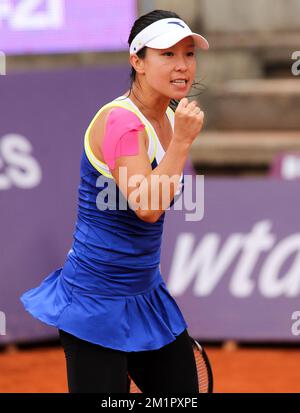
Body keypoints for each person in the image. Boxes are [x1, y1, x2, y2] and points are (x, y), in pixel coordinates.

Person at [20, 9, 209, 393]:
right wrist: (183, 143)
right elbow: (148, 207)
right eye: (167, 55)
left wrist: (178, 138)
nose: (183, 66)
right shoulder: (121, 122)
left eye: (189, 54)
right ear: (137, 61)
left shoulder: (171, 119)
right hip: (94, 303)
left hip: (145, 297)